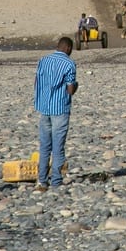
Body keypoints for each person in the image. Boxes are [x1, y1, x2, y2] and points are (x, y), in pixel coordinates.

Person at [33, 37, 78, 191]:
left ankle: (42, 181)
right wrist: (76, 86)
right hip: (60, 109)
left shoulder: (43, 60)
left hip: (44, 108)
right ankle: (56, 181)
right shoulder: (69, 64)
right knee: (58, 147)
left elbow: (36, 82)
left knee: (45, 146)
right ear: (68, 48)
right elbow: (70, 90)